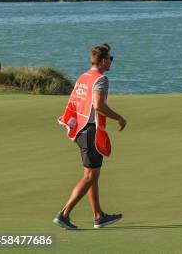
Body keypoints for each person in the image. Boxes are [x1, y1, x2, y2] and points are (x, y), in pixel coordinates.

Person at [54, 44, 127, 230]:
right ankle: (64, 214)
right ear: (103, 61)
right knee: (89, 177)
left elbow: (74, 102)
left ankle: (98, 215)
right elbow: (98, 105)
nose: (111, 61)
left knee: (92, 175)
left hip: (80, 130)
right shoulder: (101, 79)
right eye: (110, 58)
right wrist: (119, 117)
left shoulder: (83, 76)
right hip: (90, 131)